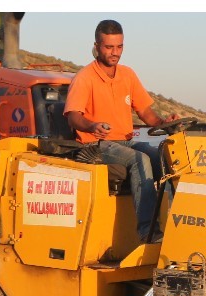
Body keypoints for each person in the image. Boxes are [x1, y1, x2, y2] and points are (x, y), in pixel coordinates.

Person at [63, 19, 177, 242]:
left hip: (125, 140)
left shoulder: (128, 75)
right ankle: (149, 232)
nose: (115, 53)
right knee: (140, 160)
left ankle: (176, 226)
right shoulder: (85, 78)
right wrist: (92, 126)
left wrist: (165, 122)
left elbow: (145, 112)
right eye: (109, 47)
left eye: (119, 47)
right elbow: (73, 116)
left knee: (168, 158)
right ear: (96, 46)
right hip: (95, 145)